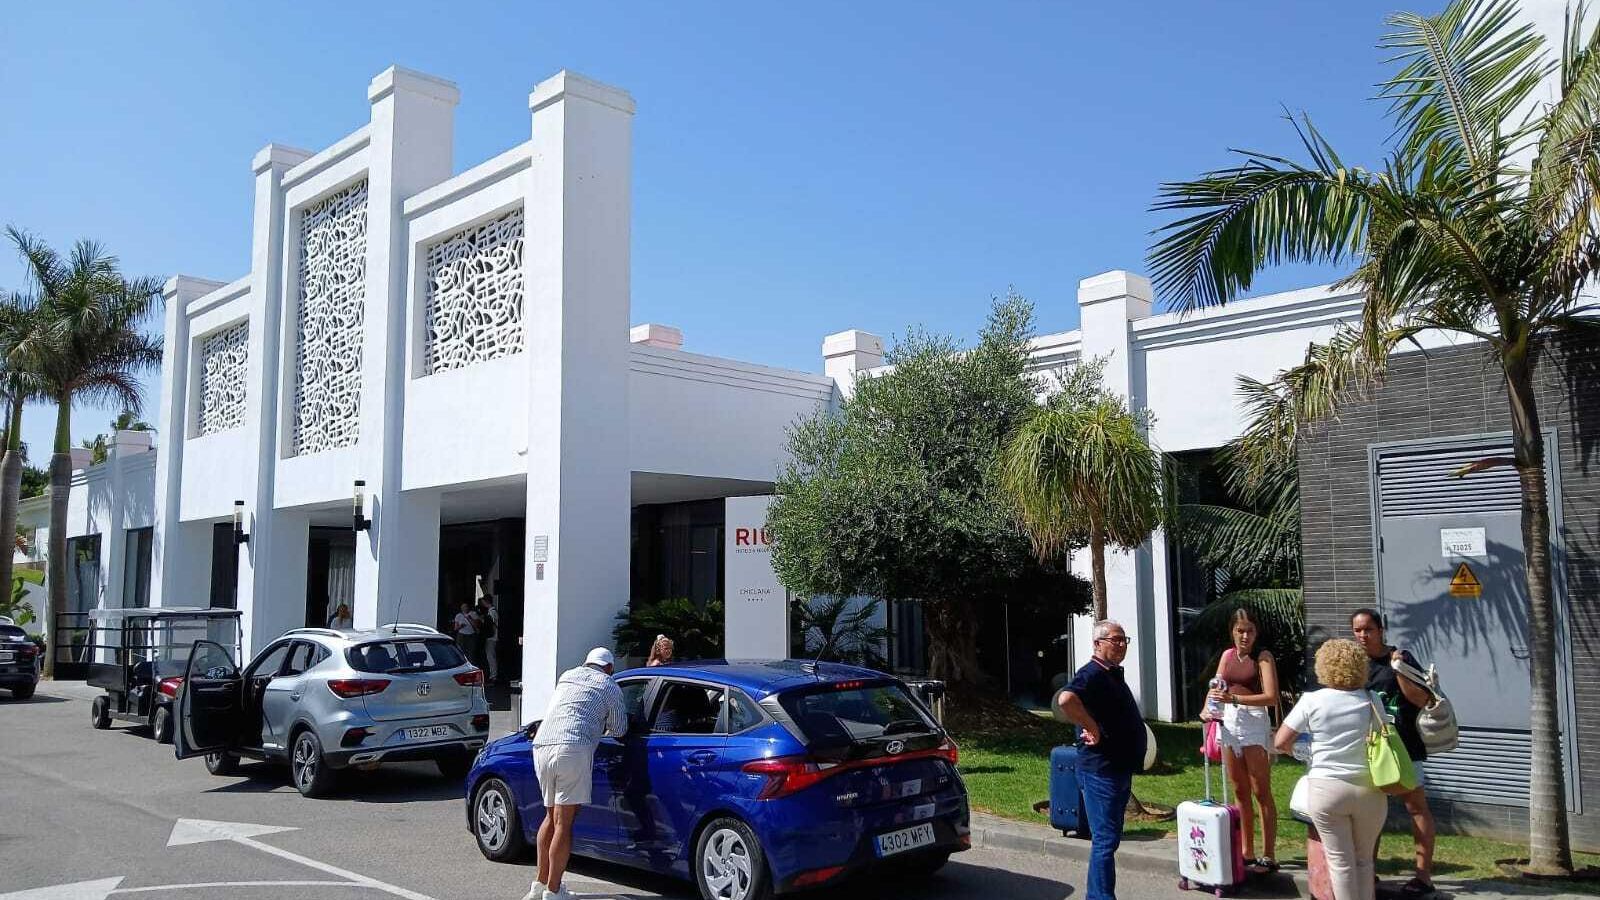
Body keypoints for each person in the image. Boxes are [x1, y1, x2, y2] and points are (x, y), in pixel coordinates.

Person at [1275, 639, 1389, 900]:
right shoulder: (1371, 700)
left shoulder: (1312, 700)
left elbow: (1281, 742)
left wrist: (1303, 752)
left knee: (1340, 863)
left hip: (1327, 787)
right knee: (1364, 861)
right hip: (1369, 787)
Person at [523, 647, 627, 900]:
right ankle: (555, 891)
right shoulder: (609, 685)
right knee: (563, 823)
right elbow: (620, 729)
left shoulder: (567, 675)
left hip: (542, 745)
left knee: (550, 817)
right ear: (610, 668)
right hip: (572, 747)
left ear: (586, 662)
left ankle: (539, 884)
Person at [1056, 620, 1147, 900]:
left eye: (1124, 640)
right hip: (1100, 772)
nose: (1121, 645)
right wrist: (1091, 726)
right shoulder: (1092, 673)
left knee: (1110, 840)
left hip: (1117, 769)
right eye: (1115, 640)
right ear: (1098, 644)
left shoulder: (1111, 674)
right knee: (1105, 841)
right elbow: (1066, 699)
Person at [1351, 608, 1436, 898]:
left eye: (1368, 629)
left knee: (1416, 806)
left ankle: (1423, 877)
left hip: (1404, 745)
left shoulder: (1400, 657)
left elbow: (1422, 699)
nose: (1363, 635)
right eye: (1358, 630)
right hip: (1370, 748)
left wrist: (1399, 669)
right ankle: (1367, 871)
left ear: (1380, 630)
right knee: (1369, 813)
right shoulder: (1354, 663)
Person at [1202, 607, 1280, 874]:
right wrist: (1207, 707)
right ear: (1232, 632)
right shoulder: (1227, 655)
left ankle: (1268, 853)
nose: (1245, 636)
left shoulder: (1263, 657)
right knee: (1239, 789)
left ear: (1256, 632)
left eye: (1249, 631)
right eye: (1240, 631)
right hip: (1229, 723)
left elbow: (1271, 696)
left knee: (1261, 790)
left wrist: (1235, 699)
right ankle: (1246, 850)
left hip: (1254, 723)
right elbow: (1216, 686)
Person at [451, 601, 481, 668]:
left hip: (471, 635)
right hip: (461, 635)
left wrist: (470, 618)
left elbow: (477, 625)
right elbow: (455, 628)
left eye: (466, 607)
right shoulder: (459, 615)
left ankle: (471, 667)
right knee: (461, 651)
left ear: (468, 607)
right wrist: (460, 626)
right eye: (463, 607)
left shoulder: (473, 614)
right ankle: (462, 666)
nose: (464, 608)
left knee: (471, 652)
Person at [477, 595, 499, 683]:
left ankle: (493, 676)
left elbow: (492, 625)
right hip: (491, 637)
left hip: (491, 638)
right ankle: (492, 675)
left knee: (491, 656)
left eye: (483, 602)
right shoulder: (491, 612)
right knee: (490, 656)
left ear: (486, 602)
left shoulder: (492, 612)